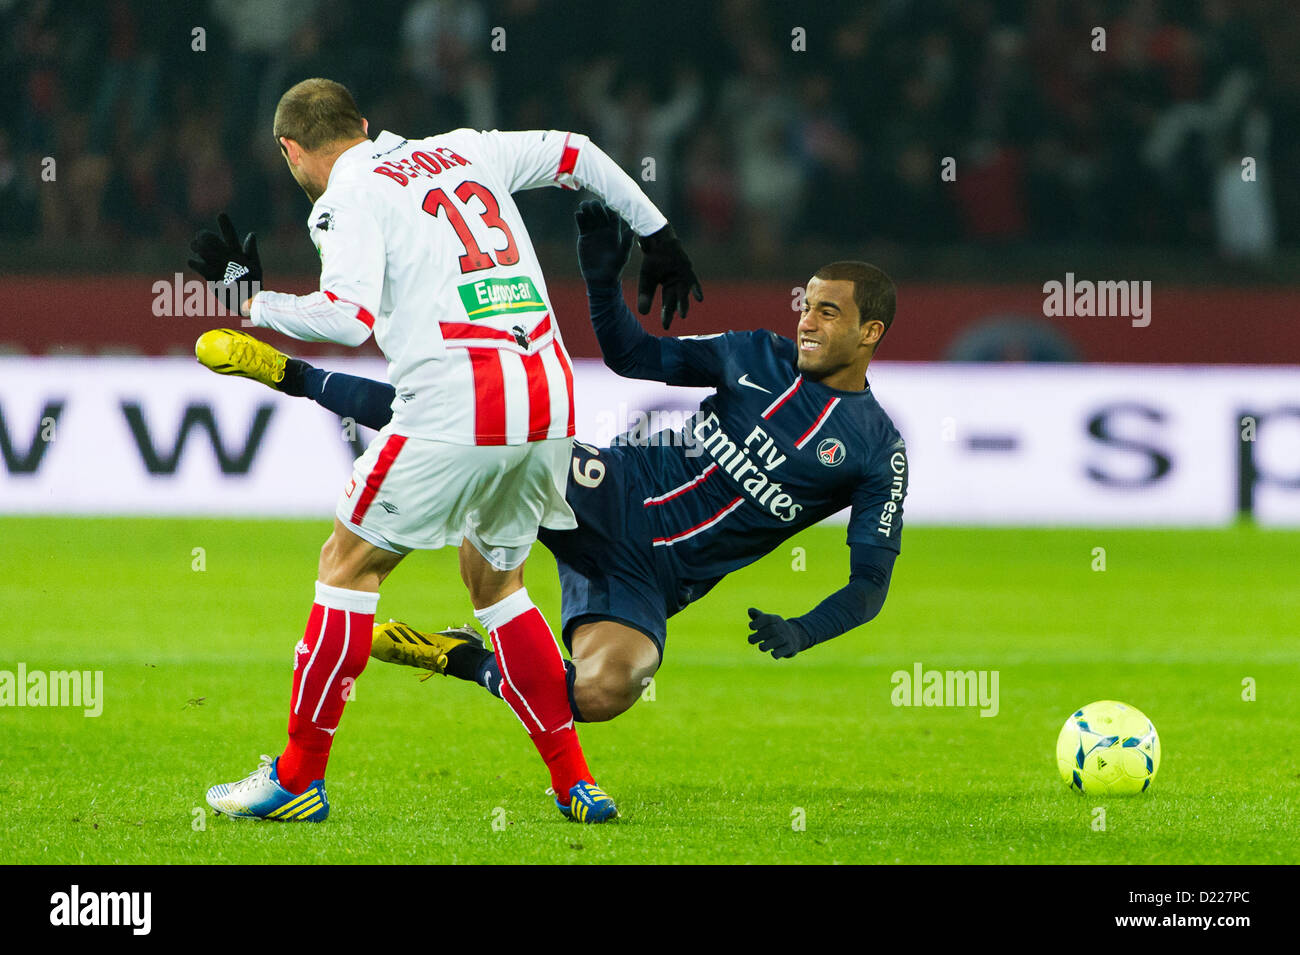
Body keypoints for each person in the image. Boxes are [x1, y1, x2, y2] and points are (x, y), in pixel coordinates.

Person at [202, 200, 907, 756]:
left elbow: (869, 587)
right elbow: (631, 354)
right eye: (806, 303)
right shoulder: (755, 352)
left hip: (653, 582)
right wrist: (602, 278)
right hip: (611, 487)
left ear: (870, 333)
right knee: (473, 420)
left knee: (604, 690)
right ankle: (291, 372)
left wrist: (802, 631)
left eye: (827, 310)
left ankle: (466, 659)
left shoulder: (878, 452)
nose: (806, 320)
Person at [188, 79, 701, 824]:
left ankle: (298, 777)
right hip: (548, 400)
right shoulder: (464, 150)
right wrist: (658, 235)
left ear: (291, 151)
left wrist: (251, 304)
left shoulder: (343, 195)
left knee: (347, 565)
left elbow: (347, 313)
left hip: (459, 405)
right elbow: (578, 154)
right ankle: (576, 784)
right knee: (497, 587)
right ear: (365, 123)